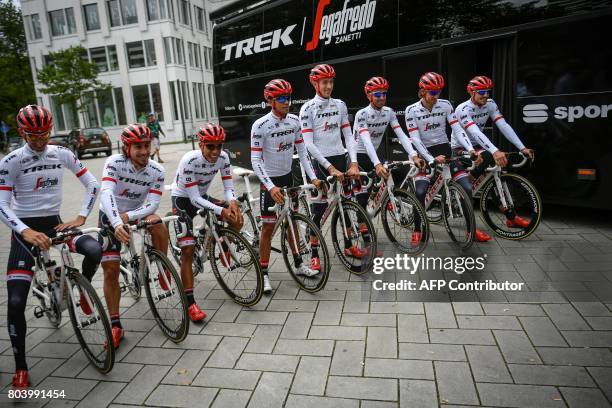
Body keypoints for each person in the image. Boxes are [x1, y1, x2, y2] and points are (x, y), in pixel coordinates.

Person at [0, 105, 101, 388]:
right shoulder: (11, 161)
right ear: (22, 132)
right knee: (17, 301)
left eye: (44, 133)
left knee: (95, 250)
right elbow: (2, 204)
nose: (40, 140)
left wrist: (81, 215)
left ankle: (80, 290)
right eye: (33, 135)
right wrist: (25, 231)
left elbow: (93, 185)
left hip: (56, 224)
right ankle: (21, 368)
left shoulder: (62, 153)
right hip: (24, 231)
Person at [98, 124, 168, 349]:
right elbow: (106, 192)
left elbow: (153, 204)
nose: (144, 151)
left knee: (158, 223)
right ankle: (116, 324)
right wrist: (118, 221)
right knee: (111, 269)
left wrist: (129, 216)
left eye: (147, 145)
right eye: (138, 146)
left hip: (136, 213)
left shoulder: (157, 170)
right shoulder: (114, 163)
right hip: (111, 214)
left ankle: (162, 268)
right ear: (127, 148)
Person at [251, 79, 322, 293]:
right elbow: (255, 160)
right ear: (271, 100)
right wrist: (270, 186)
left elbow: (302, 153)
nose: (286, 102)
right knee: (268, 228)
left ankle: (299, 264)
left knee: (291, 222)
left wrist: (313, 177)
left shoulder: (294, 121)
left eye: (288, 98)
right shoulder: (260, 125)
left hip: (288, 179)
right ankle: (263, 274)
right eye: (281, 98)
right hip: (270, 183)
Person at [405, 72, 492, 243]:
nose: (435, 97)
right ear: (422, 91)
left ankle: (471, 231)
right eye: (432, 93)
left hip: (444, 149)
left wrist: (470, 149)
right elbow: (415, 138)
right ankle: (417, 230)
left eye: (438, 92)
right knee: (421, 191)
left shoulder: (445, 105)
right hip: (424, 153)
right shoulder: (411, 110)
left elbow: (457, 129)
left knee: (467, 187)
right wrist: (430, 158)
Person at [172, 123, 243, 321]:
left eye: (219, 146)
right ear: (201, 144)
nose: (215, 151)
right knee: (187, 250)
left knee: (237, 218)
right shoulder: (189, 160)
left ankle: (224, 244)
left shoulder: (223, 158)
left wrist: (233, 202)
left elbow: (229, 187)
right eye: (210, 146)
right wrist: (222, 209)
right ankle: (190, 303)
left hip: (203, 195)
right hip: (183, 199)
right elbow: (194, 199)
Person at [299, 63, 362, 270]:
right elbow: (308, 144)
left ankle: (348, 245)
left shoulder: (340, 105)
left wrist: (353, 161)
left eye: (331, 82)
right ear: (315, 83)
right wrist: (329, 168)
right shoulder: (307, 108)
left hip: (340, 157)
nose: (328, 86)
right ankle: (314, 254)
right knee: (320, 207)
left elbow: (348, 135)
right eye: (324, 82)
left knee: (344, 202)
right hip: (320, 162)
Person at [451, 75, 535, 228]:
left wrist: (521, 147)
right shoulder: (462, 109)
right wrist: (494, 151)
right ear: (472, 92)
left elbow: (503, 125)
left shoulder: (490, 104)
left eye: (488, 91)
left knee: (500, 169)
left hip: (479, 145)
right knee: (490, 157)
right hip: (461, 147)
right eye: (482, 92)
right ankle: (464, 185)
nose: (486, 95)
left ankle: (511, 217)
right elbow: (474, 131)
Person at [353, 76, 425, 219]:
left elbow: (402, 135)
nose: (382, 97)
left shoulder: (389, 112)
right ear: (369, 95)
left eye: (384, 94)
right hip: (358, 154)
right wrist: (377, 164)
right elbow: (366, 141)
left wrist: (413, 154)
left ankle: (380, 196)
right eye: (377, 94)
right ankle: (363, 228)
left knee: (393, 172)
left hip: (373, 153)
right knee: (362, 196)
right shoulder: (362, 114)